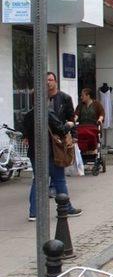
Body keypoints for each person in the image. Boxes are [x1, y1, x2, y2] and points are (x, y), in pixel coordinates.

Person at [25, 72, 82, 221]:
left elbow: (25, 132)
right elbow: (61, 128)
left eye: (50, 80)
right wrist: (69, 125)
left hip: (34, 152)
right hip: (51, 151)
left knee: (38, 179)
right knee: (59, 179)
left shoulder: (28, 115)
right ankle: (66, 208)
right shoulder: (48, 112)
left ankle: (34, 212)